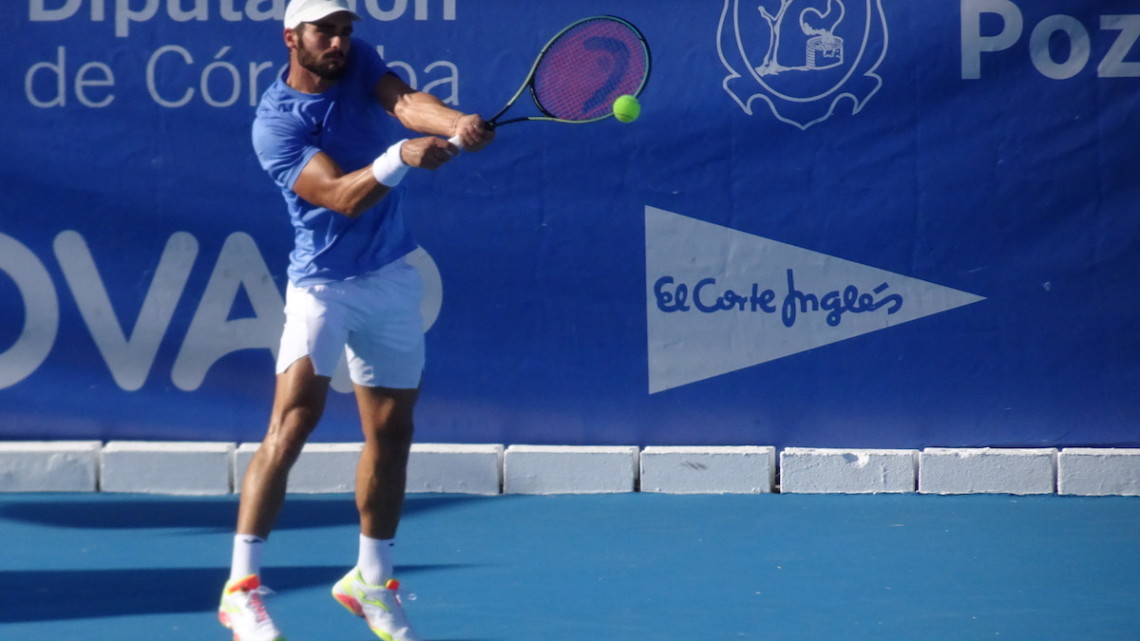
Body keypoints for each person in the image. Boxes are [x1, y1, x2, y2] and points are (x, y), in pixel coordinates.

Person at [216, 1, 493, 640]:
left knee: (393, 432)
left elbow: (404, 101)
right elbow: (339, 196)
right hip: (321, 288)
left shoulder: (360, 63)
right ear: (293, 38)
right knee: (293, 422)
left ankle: (371, 578)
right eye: (325, 31)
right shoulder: (276, 124)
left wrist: (458, 124)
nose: (339, 42)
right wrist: (401, 158)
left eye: (346, 30)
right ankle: (242, 588)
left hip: (392, 278)